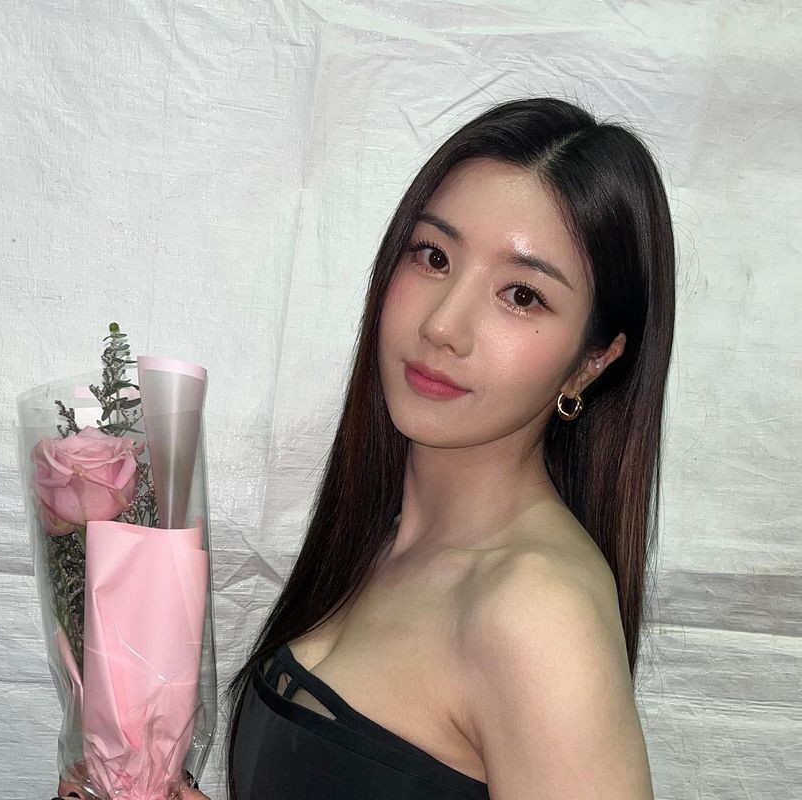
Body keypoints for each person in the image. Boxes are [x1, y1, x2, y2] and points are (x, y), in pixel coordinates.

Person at [60, 95, 675, 799]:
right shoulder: (381, 538)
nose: (443, 325)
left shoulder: (538, 612)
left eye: (522, 296)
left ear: (591, 362)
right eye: (434, 257)